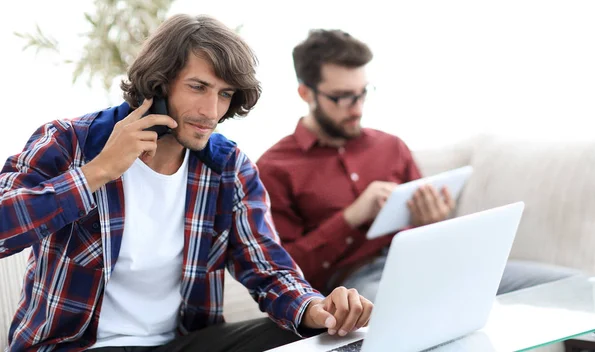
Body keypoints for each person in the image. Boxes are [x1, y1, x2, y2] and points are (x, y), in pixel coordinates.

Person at [0, 15, 373, 352]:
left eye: (224, 94)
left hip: (184, 342)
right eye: (198, 87)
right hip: (77, 347)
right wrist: (97, 172)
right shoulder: (70, 142)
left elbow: (267, 268)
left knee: (324, 342)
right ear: (159, 84)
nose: (212, 112)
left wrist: (317, 309)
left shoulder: (228, 167)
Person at [256, 29, 579, 301]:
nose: (357, 108)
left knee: (576, 285)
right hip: (355, 284)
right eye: (342, 97)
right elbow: (284, 271)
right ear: (305, 93)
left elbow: (432, 234)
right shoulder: (276, 168)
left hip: (432, 263)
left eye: (363, 93)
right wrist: (351, 217)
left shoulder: (390, 146)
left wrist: (433, 220)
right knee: (411, 307)